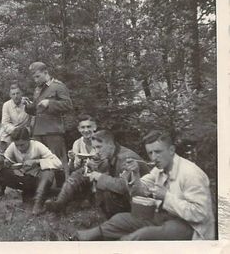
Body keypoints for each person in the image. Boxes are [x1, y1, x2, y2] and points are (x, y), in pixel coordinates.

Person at [74, 130, 215, 241]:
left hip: (189, 226)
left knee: (142, 235)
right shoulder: (159, 169)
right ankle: (80, 238)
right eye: (150, 153)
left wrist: (166, 197)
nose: (153, 157)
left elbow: (200, 215)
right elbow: (138, 193)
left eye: (158, 152)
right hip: (161, 217)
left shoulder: (191, 174)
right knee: (121, 219)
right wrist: (135, 174)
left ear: (172, 150)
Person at [46, 129, 149, 218]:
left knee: (105, 189)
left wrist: (99, 176)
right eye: (94, 148)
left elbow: (124, 186)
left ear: (110, 144)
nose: (96, 151)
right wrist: (93, 166)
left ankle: (113, 218)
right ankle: (60, 203)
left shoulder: (125, 158)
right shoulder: (113, 152)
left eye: (99, 147)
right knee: (80, 173)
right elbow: (107, 171)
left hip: (140, 202)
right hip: (130, 196)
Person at [0, 127, 63, 217]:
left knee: (48, 172)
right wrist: (3, 163)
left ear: (29, 140)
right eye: (17, 145)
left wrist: (36, 162)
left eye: (22, 145)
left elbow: (58, 163)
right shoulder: (12, 147)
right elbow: (1, 162)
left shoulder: (37, 146)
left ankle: (37, 205)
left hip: (37, 182)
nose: (19, 148)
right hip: (22, 179)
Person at [24, 61, 73, 181]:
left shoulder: (58, 86)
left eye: (37, 76)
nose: (35, 80)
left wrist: (50, 103)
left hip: (53, 130)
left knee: (56, 161)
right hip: (38, 131)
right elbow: (37, 109)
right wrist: (28, 106)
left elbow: (68, 105)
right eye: (34, 77)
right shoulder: (37, 89)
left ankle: (60, 189)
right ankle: (41, 187)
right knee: (37, 159)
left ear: (46, 73)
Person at [0, 83, 31, 196]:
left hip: (23, 133)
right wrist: (14, 132)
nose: (16, 96)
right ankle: (1, 186)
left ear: (21, 93)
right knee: (4, 159)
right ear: (10, 95)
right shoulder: (6, 105)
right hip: (9, 133)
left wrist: (25, 133)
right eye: (13, 94)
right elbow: (5, 123)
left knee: (27, 156)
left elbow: (32, 119)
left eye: (18, 93)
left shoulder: (27, 104)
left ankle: (26, 185)